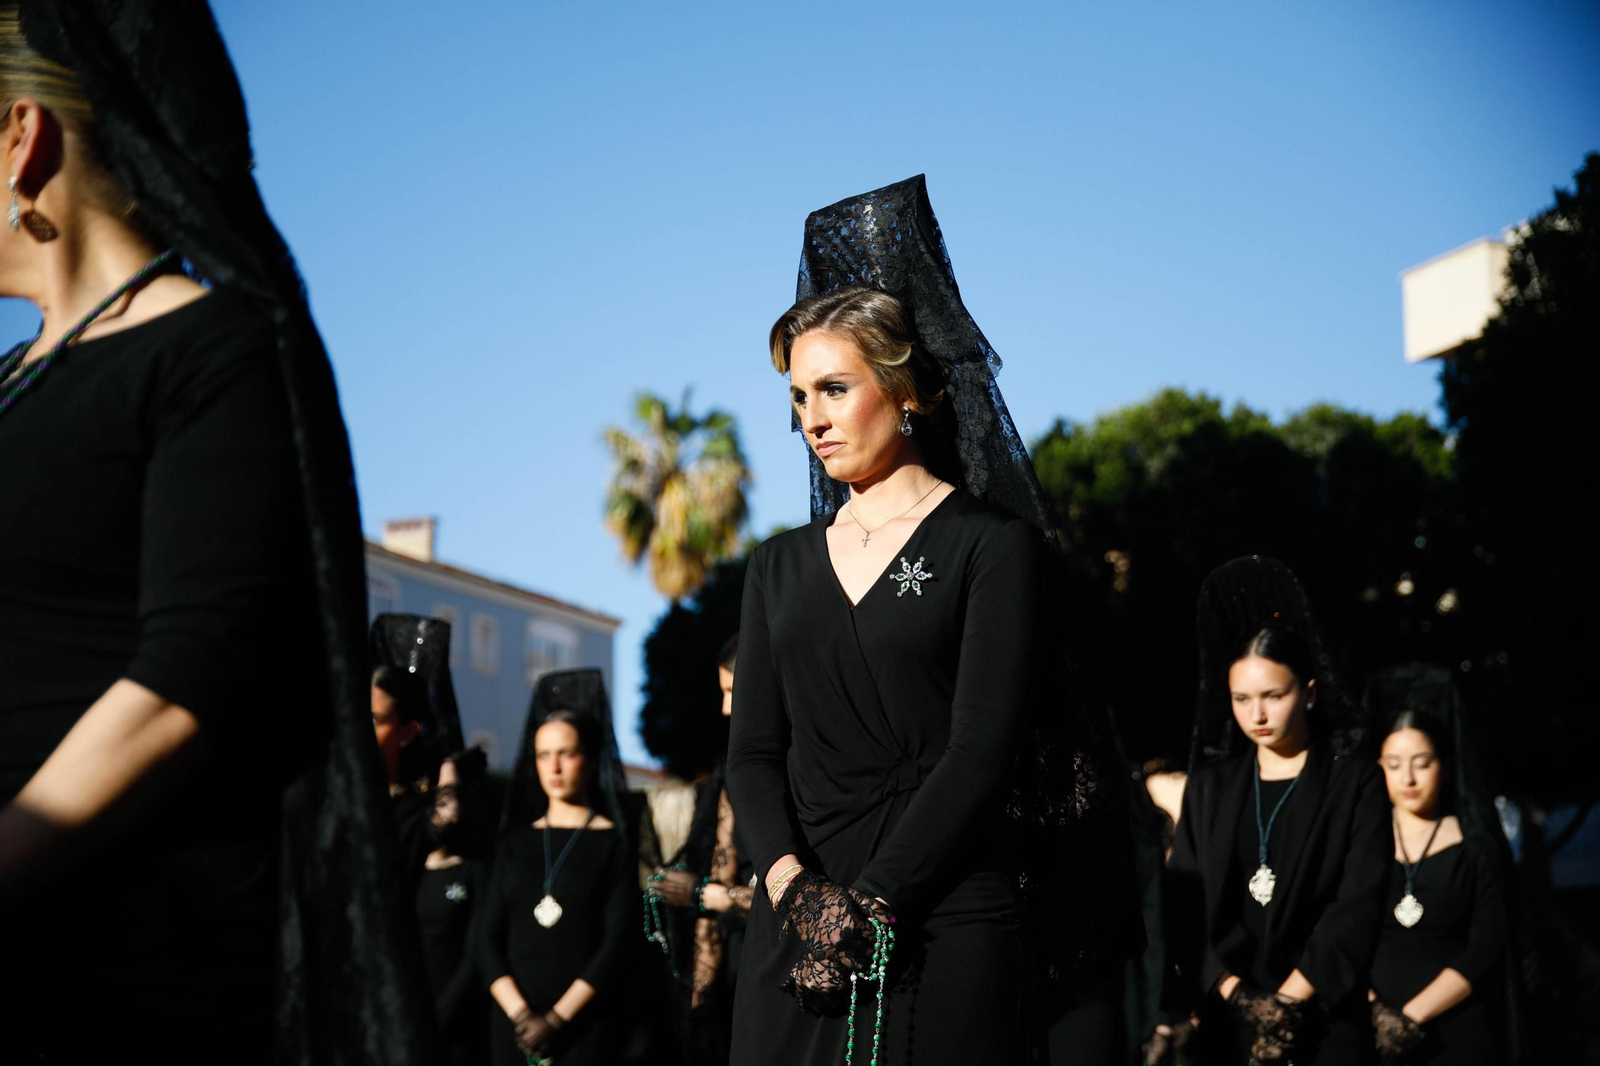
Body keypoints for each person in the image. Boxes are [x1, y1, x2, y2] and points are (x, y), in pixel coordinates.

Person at [0, 4, 433, 1060]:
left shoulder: (216, 351)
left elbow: (191, 670)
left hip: (126, 955)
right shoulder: (12, 384)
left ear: (22, 137)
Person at [727, 175, 1141, 1066]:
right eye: (798, 399)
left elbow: (982, 750)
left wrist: (870, 904)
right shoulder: (776, 567)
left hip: (943, 920)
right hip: (794, 932)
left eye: (833, 390)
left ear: (906, 389)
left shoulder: (991, 547)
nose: (812, 421)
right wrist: (800, 896)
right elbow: (753, 755)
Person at [1155, 556, 1390, 1065]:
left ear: (1307, 693)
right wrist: (1237, 994)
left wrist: (1289, 1001)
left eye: (1272, 695)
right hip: (1229, 1017)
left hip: (1325, 1016)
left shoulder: (1354, 782)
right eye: (1241, 698)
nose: (1256, 714)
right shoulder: (1211, 787)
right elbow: (1185, 901)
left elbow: (1359, 901)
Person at [1365, 664, 1526, 1065]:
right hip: (1366, 1029)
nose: (1408, 778)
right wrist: (1375, 1013)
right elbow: (1336, 931)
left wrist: (1409, 1018)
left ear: (1445, 766)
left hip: (1455, 1032)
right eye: (1393, 764)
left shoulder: (1476, 845)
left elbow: (1488, 945)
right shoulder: (1360, 843)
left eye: (1422, 762)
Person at [477, 669, 636, 1065]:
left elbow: (617, 944)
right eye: (544, 755)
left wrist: (556, 1019)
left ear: (590, 757)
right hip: (514, 1028)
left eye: (567, 753)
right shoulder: (514, 844)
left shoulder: (612, 845)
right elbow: (484, 939)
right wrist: (522, 1016)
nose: (555, 767)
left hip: (583, 1030)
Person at [647, 633, 754, 1066]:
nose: (726, 708)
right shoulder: (732, 769)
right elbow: (719, 861)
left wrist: (712, 896)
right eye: (721, 692)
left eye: (733, 690)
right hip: (733, 969)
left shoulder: (815, 765)